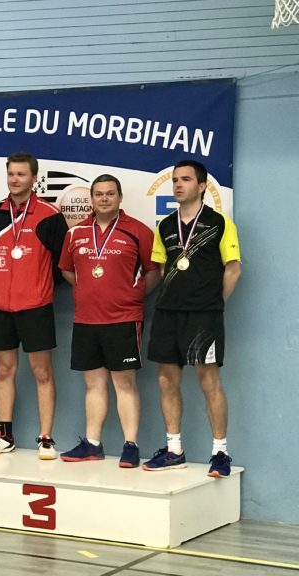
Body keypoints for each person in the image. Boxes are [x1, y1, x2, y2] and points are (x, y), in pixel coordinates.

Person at [143, 160, 241, 477]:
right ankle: (174, 450)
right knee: (166, 379)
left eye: (185, 179)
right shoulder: (165, 226)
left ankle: (220, 452)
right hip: (167, 314)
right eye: (175, 180)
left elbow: (233, 269)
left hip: (203, 316)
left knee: (208, 380)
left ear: (201, 186)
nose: (178, 185)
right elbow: (160, 270)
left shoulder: (220, 223)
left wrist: (213, 304)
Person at [58, 175, 160, 467]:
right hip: (86, 319)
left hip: (123, 318)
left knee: (124, 383)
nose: (104, 198)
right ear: (91, 198)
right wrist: (88, 291)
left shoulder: (138, 231)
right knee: (93, 384)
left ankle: (130, 445)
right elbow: (67, 270)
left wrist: (132, 294)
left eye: (110, 193)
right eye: (99, 194)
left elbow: (154, 271)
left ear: (120, 197)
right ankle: (92, 444)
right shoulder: (75, 233)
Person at [0, 152, 68, 459]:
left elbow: (62, 265)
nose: (15, 180)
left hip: (36, 306)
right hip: (0, 305)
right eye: (11, 174)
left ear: (34, 179)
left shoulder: (51, 216)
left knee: (42, 372)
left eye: (21, 174)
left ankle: (46, 438)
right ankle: (5, 435)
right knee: (4, 370)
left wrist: (37, 285)